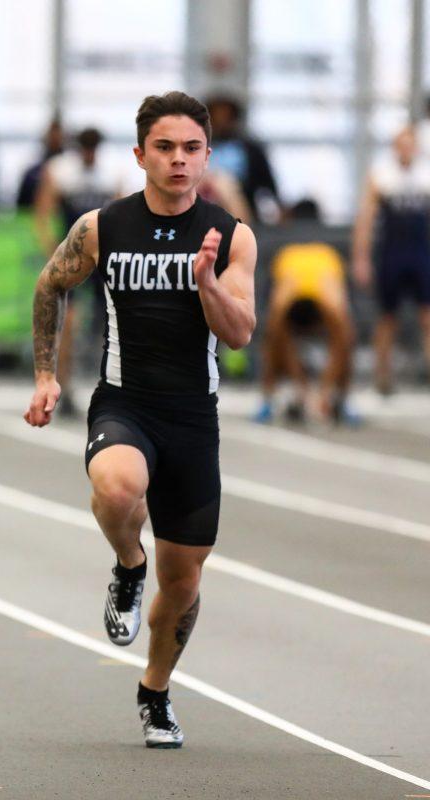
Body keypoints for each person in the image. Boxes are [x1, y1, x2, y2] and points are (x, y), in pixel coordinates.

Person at [26, 91, 257, 749]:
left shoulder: (233, 235)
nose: (178, 160)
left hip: (193, 417)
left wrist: (208, 282)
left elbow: (240, 335)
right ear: (140, 155)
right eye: (164, 148)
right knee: (118, 487)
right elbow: (51, 285)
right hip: (124, 402)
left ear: (207, 156)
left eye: (190, 148)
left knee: (182, 582)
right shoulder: (104, 226)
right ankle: (128, 562)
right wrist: (48, 375)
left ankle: (154, 689)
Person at [33, 127, 124, 415]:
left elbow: (122, 210)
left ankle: (110, 385)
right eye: (85, 148)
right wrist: (53, 253)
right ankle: (66, 385)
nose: (89, 154)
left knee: (112, 324)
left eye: (93, 148)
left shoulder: (111, 171)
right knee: (67, 323)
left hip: (103, 256)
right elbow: (43, 213)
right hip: (72, 252)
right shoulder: (60, 171)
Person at [254, 200, 357, 425]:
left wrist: (323, 391)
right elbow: (274, 326)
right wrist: (305, 390)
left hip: (319, 304)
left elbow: (344, 331)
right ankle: (271, 399)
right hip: (295, 306)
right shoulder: (313, 256)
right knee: (274, 337)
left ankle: (339, 398)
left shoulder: (308, 257)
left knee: (345, 337)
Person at [352, 126, 430, 394]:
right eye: (402, 145)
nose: (407, 150)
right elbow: (366, 219)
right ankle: (383, 376)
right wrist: (361, 258)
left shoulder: (425, 174)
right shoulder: (383, 177)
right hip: (393, 252)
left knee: (427, 315)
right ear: (395, 148)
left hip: (420, 251)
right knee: (387, 317)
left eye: (411, 145)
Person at [205, 94, 281, 221]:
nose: (221, 122)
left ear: (234, 119)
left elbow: (268, 184)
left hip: (241, 207)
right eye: (216, 117)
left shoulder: (250, 149)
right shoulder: (194, 147)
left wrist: (278, 207)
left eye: (226, 117)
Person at [16, 117, 65, 210]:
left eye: (58, 135)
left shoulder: (69, 170)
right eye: (52, 135)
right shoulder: (32, 173)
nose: (55, 138)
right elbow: (21, 205)